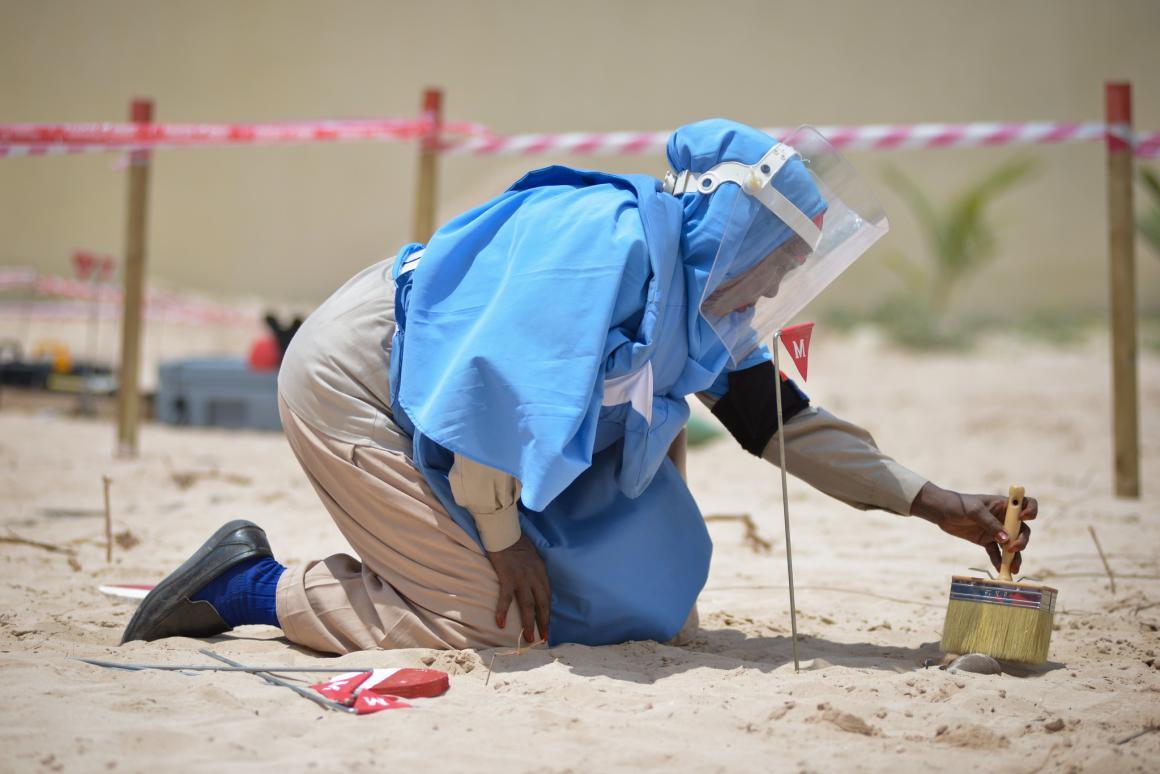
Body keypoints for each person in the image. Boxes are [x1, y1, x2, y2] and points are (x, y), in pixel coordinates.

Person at [121, 119, 1036, 654]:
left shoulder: (697, 300)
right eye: (777, 262)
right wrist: (502, 539)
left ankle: (424, 563)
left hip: (453, 414)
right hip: (358, 382)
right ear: (736, 231)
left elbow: (777, 423)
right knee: (493, 620)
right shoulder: (606, 249)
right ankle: (249, 584)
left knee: (636, 608)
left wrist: (933, 503)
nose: (773, 289)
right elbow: (488, 385)